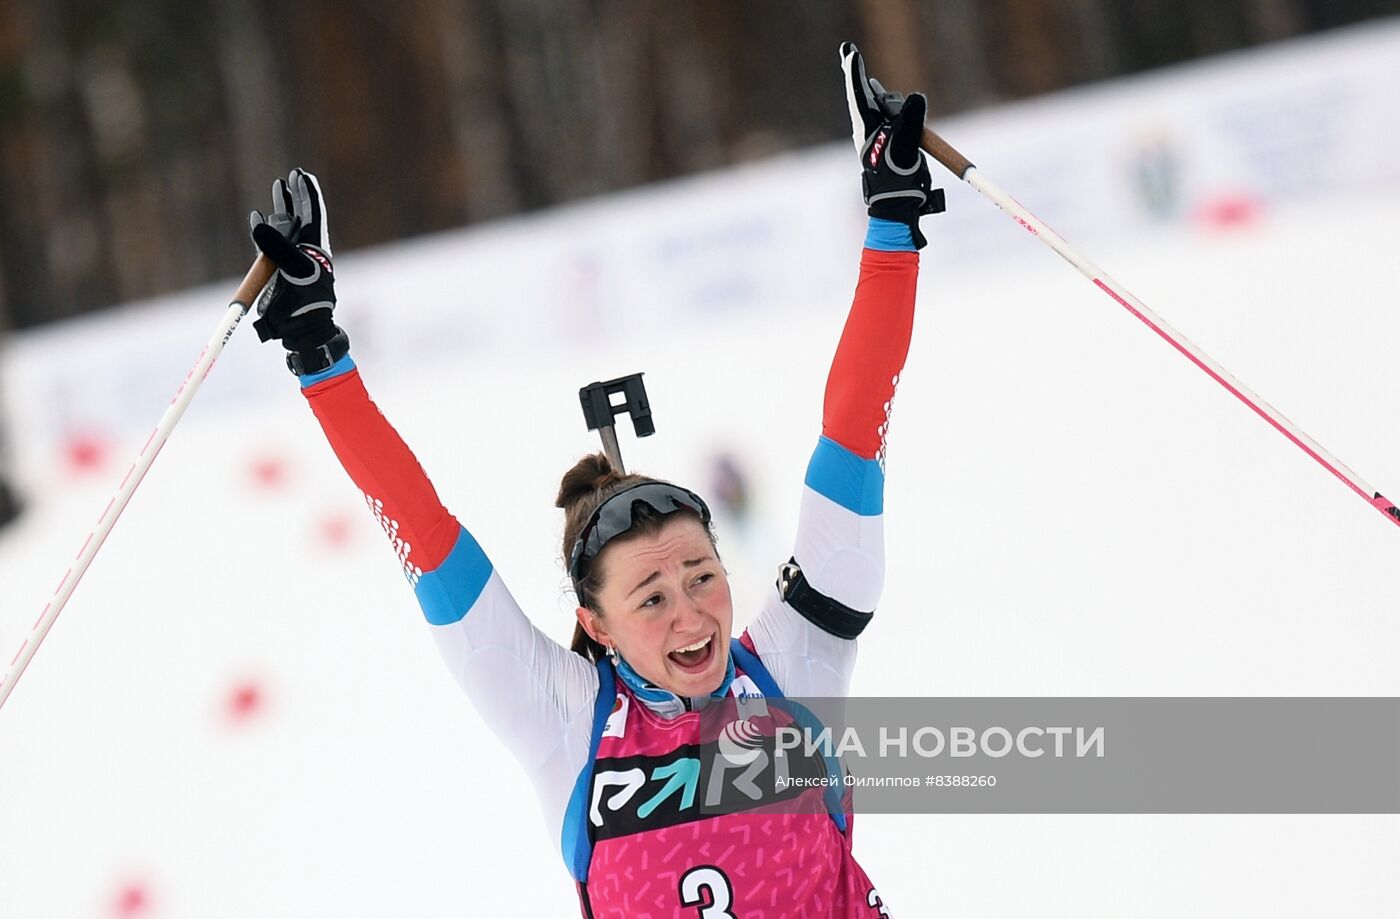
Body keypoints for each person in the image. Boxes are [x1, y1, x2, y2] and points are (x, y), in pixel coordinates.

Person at [249, 43, 940, 917]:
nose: (691, 613)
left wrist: (891, 222)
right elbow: (425, 535)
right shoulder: (566, 724)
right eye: (650, 598)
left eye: (700, 576)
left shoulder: (793, 670)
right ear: (595, 624)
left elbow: (852, 434)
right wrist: (319, 356)